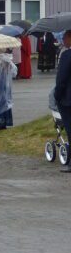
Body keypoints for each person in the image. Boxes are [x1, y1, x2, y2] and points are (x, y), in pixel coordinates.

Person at [53, 30, 71, 173]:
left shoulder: (67, 55)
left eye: (65, 37)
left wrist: (57, 96)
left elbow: (61, 80)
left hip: (68, 100)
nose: (63, 40)